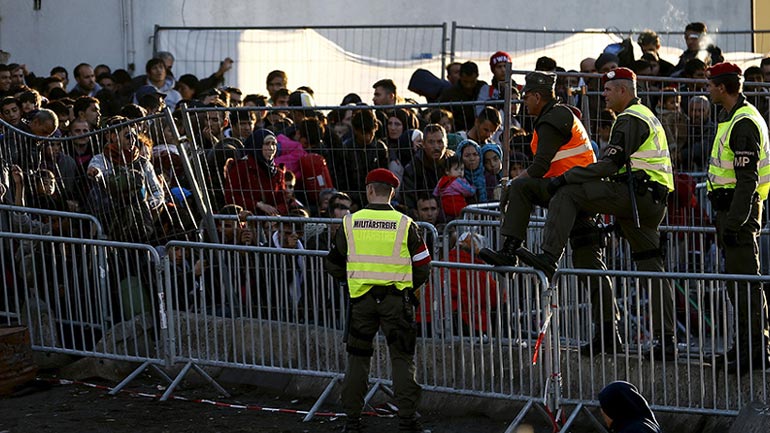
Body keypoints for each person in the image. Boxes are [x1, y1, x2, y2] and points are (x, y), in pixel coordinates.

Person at [514, 68, 677, 359]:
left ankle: (548, 257)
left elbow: (608, 166)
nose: (604, 95)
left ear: (623, 91)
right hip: (649, 200)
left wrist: (566, 178)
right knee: (649, 266)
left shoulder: (630, 118)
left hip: (635, 196)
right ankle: (661, 341)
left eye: (608, 90)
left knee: (568, 193)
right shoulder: (645, 115)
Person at [479, 71, 621, 353]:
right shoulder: (557, 115)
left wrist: (511, 186)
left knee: (521, 188)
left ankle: (512, 251)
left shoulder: (552, 118)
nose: (523, 103)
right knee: (590, 266)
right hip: (574, 197)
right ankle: (608, 334)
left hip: (571, 194)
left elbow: (540, 166)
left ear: (536, 96)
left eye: (525, 97)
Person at [325, 168, 431, 433]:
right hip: (396, 301)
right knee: (402, 358)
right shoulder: (406, 224)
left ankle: (352, 421)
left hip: (361, 301)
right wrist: (409, 289)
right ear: (392, 193)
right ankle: (407, 420)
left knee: (357, 359)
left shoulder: (350, 223)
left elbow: (333, 262)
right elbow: (423, 264)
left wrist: (350, 282)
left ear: (369, 190)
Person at [705, 62, 770, 372]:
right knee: (736, 285)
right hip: (730, 210)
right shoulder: (731, 117)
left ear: (722, 87)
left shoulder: (743, 122)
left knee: (745, 285)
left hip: (738, 212)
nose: (708, 90)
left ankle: (756, 350)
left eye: (711, 85)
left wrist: (734, 222)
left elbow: (747, 181)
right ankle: (743, 346)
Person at [433, 154, 475, 220]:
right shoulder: (457, 181)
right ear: (447, 171)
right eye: (456, 169)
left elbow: (435, 193)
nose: (460, 172)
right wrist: (474, 188)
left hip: (445, 209)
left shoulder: (441, 180)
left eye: (462, 169)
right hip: (458, 209)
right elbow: (469, 191)